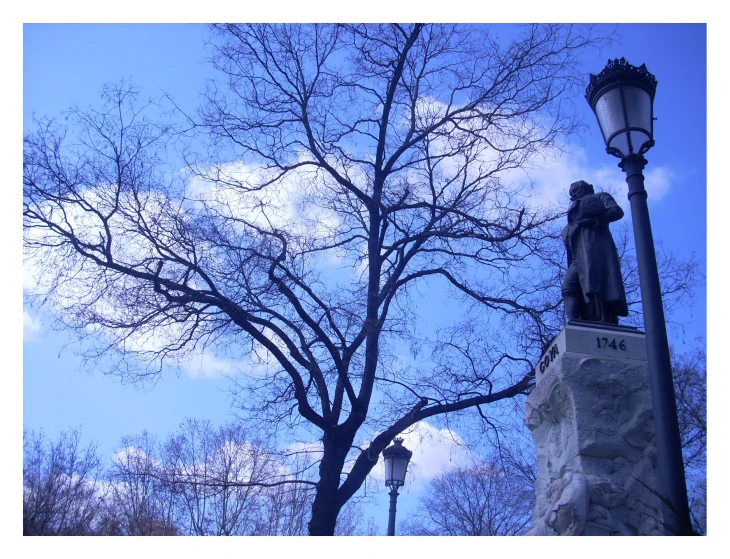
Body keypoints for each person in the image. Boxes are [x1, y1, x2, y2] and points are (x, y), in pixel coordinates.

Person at [561, 180, 628, 324]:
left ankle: (599, 318)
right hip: (577, 258)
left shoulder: (600, 197)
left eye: (576, 190)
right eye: (571, 193)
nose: (573, 194)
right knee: (568, 288)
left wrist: (596, 220)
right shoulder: (572, 216)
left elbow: (616, 211)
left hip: (594, 251)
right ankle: (574, 324)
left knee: (595, 284)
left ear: (585, 189)